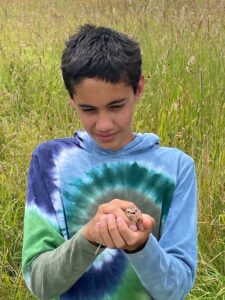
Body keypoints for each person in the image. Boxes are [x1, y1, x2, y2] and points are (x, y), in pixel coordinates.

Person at [22, 24, 198, 300]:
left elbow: (175, 289)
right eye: (88, 109)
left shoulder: (177, 168)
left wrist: (141, 246)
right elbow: (41, 284)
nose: (104, 124)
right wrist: (89, 237)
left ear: (138, 88)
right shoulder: (50, 162)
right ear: (71, 99)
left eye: (116, 106)